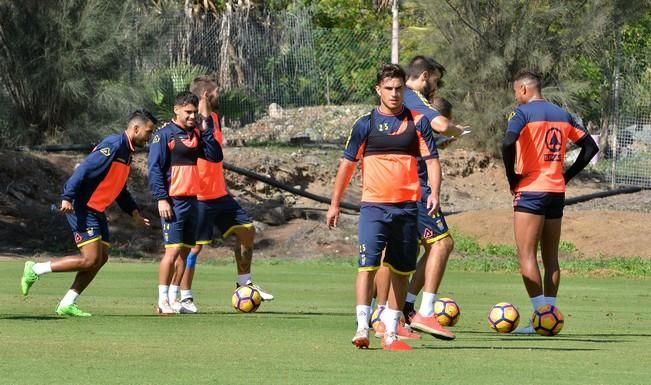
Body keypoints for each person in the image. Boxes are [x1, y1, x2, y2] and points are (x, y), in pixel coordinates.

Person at [327, 63, 441, 351]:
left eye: (399, 88)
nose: (394, 93)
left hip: (407, 208)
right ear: (378, 90)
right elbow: (346, 165)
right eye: (388, 88)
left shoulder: (418, 123)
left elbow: (432, 161)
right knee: (367, 266)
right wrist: (335, 203)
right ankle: (362, 327)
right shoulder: (364, 124)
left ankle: (391, 332)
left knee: (401, 270)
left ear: (405, 89)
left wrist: (435, 193)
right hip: (374, 208)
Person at [20, 109, 157, 316]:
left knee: (101, 258)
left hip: (97, 210)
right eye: (148, 132)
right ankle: (35, 269)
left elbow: (119, 188)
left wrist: (133, 212)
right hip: (82, 206)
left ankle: (67, 303)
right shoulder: (113, 145)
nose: (149, 137)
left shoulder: (126, 152)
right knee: (90, 259)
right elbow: (84, 169)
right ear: (135, 128)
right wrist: (67, 196)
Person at [373, 56, 466, 341]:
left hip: (394, 184)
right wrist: (455, 130)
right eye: (436, 81)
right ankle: (423, 312)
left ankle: (385, 316)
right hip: (415, 186)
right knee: (442, 243)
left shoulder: (398, 105)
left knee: (398, 255)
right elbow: (439, 124)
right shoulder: (413, 97)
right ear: (425, 76)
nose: (436, 88)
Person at [501, 69, 598, 333]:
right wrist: (566, 177)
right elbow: (591, 147)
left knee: (526, 255)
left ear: (523, 90)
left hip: (530, 190)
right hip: (556, 191)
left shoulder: (521, 114)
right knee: (551, 257)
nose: (516, 97)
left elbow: (507, 142)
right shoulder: (563, 115)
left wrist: (512, 177)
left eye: (515, 93)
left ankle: (540, 318)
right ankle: (549, 313)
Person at [169, 76, 273, 314]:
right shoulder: (191, 123)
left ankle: (245, 284)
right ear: (206, 95)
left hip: (220, 195)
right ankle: (184, 298)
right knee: (192, 248)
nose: (220, 96)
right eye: (217, 92)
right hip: (198, 196)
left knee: (247, 230)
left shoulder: (214, 118)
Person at [148, 91, 222, 315]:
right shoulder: (164, 135)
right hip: (173, 201)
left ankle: (173, 298)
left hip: (192, 200)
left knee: (185, 252)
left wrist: (206, 125)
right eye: (188, 113)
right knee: (171, 251)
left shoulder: (197, 134)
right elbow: (154, 169)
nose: (192, 117)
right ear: (176, 110)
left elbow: (215, 156)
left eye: (194, 113)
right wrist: (162, 198)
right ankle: (161, 301)